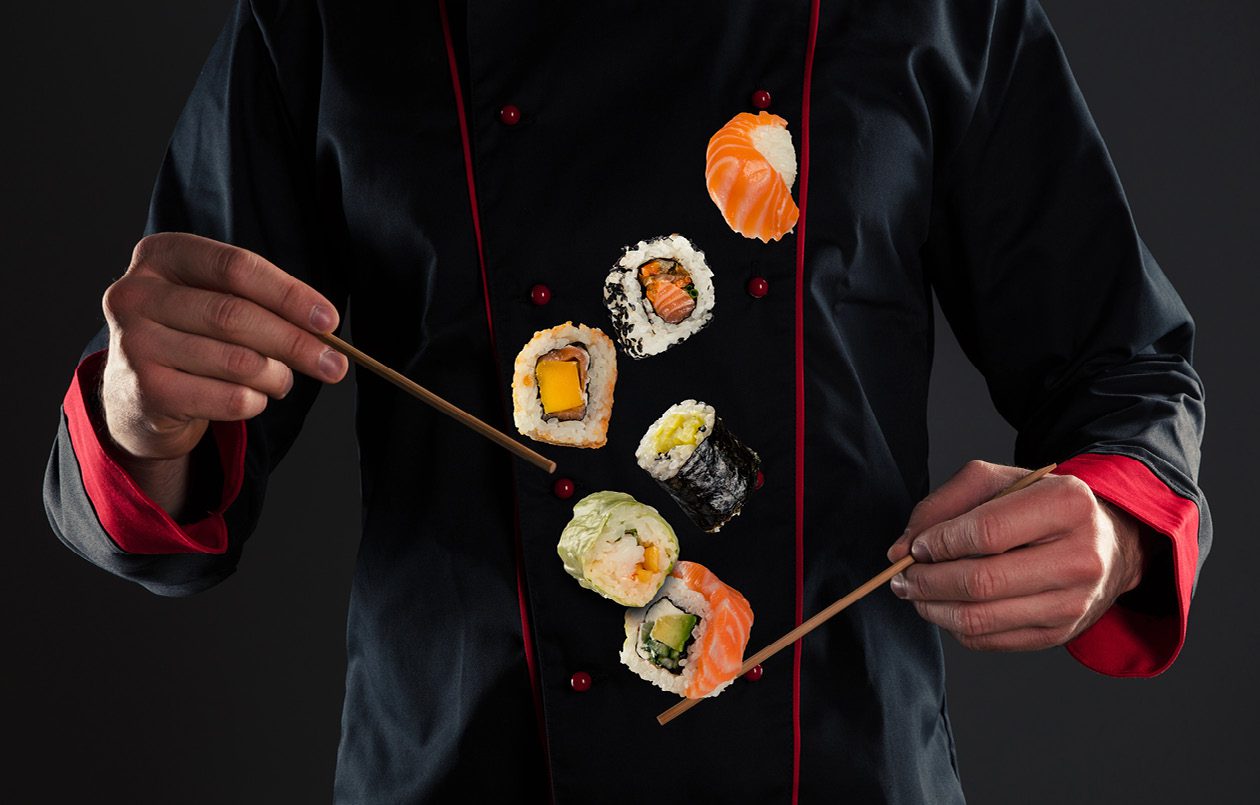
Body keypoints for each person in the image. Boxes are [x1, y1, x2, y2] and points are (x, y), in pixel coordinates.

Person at [44, 1, 1209, 802]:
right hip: (457, 770)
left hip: (844, 768)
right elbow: (159, 476)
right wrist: (147, 415)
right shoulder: (322, 18)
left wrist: (1108, 528)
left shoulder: (939, 12)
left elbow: (1127, 373)